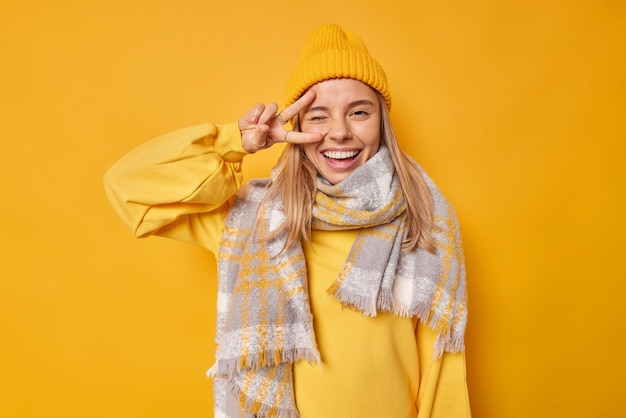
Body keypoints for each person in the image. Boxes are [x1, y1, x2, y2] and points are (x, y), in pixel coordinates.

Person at [104, 23, 470, 418]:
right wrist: (234, 142)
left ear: (381, 122)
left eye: (359, 112)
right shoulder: (250, 219)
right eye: (317, 116)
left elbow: (442, 374)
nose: (339, 132)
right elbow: (128, 185)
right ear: (295, 127)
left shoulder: (423, 219)